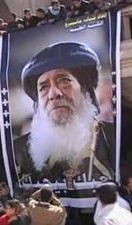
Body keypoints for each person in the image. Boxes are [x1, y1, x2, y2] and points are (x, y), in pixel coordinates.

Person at [14, 42, 115, 185]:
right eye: (43, 87)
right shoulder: (20, 150)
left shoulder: (114, 137)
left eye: (64, 81)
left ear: (85, 90)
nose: (54, 94)